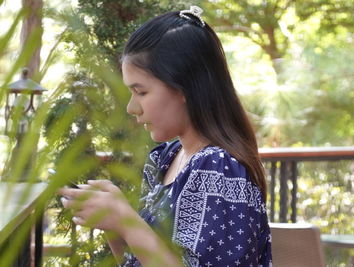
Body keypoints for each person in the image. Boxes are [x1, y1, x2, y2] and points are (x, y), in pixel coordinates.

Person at [59, 6, 272, 267]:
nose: (132, 108)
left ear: (183, 86)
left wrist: (126, 220)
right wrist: (113, 224)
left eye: (141, 92)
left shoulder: (218, 168)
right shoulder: (166, 158)